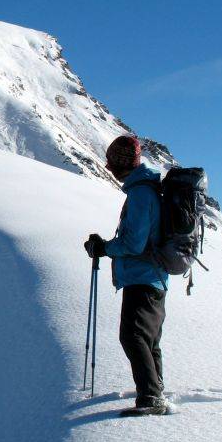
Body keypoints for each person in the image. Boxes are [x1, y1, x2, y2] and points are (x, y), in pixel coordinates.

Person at [84, 135, 170, 415]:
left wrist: (105, 248)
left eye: (111, 162)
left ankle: (151, 397)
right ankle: (155, 388)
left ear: (120, 164)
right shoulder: (144, 190)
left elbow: (134, 243)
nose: (108, 167)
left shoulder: (141, 194)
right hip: (151, 276)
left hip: (143, 276)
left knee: (132, 335)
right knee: (147, 338)